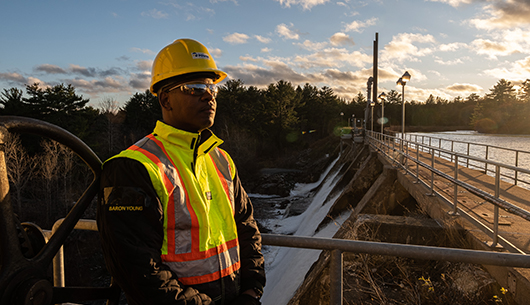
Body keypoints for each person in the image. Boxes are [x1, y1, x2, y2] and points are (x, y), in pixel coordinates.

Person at [97, 38, 266, 305]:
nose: (208, 95)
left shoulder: (222, 160)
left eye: (212, 87)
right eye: (195, 87)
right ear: (165, 98)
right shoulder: (133, 167)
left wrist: (251, 290)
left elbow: (246, 229)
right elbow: (136, 267)